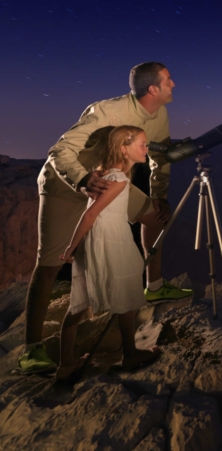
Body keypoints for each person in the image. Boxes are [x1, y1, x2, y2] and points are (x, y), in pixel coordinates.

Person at [18, 62, 191, 374]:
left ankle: (154, 285)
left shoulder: (159, 116)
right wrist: (82, 180)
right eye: (168, 80)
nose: (174, 84)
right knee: (50, 263)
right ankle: (32, 349)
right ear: (153, 89)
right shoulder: (105, 111)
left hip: (110, 185)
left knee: (155, 217)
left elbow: (160, 157)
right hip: (66, 187)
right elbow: (59, 151)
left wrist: (159, 194)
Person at [56, 126, 160, 379]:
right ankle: (130, 355)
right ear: (124, 149)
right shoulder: (119, 180)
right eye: (142, 144)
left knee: (79, 304)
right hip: (110, 240)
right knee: (123, 297)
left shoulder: (107, 175)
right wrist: (70, 248)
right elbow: (91, 213)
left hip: (102, 237)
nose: (146, 149)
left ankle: (66, 363)